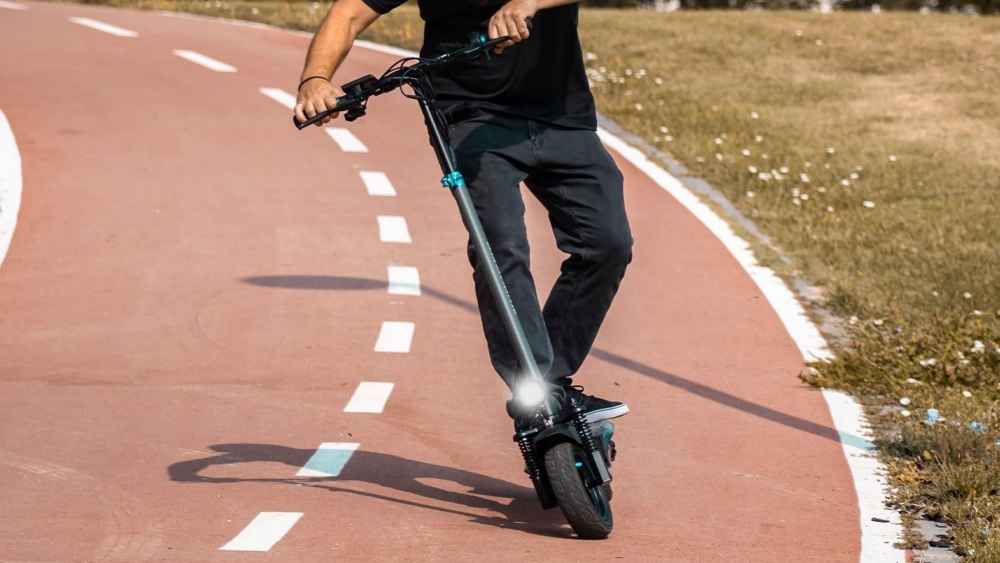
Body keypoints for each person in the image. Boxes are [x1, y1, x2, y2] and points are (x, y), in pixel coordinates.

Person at [294, 0, 633, 424]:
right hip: (469, 117)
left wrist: (528, 3)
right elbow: (347, 14)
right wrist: (315, 78)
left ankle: (552, 380)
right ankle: (535, 389)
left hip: (562, 117)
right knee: (499, 244)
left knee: (607, 243)